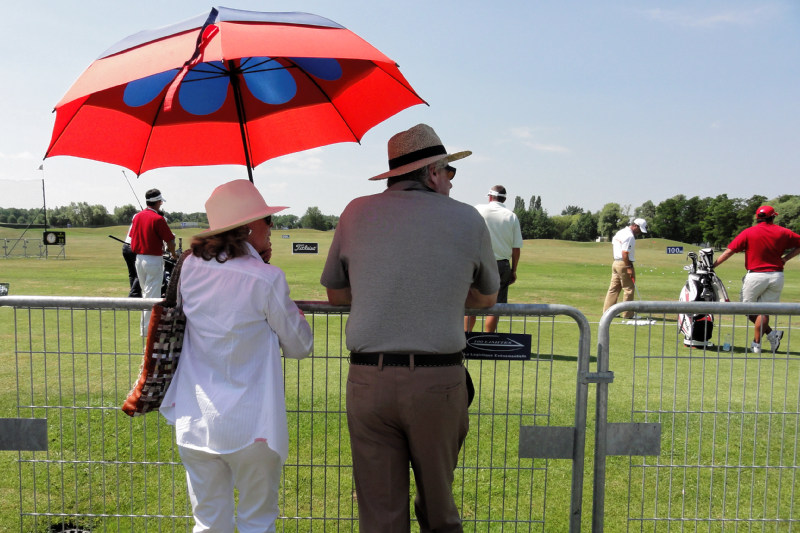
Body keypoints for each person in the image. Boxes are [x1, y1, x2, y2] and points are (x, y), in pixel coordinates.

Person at [320, 123, 500, 532]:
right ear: (433, 173)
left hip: (368, 380)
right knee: (439, 509)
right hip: (439, 381)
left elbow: (335, 294)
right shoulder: (467, 219)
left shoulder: (354, 211)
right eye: (449, 173)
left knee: (380, 515)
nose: (452, 182)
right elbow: (487, 297)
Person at [160, 179, 314, 532]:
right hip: (252, 425)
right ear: (247, 227)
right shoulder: (265, 278)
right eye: (268, 221)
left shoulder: (191, 270)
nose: (272, 229)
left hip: (194, 420)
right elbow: (299, 346)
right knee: (257, 522)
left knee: (208, 523)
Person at [712, 205, 800, 354]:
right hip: (777, 275)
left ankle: (760, 342)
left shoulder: (748, 232)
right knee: (764, 311)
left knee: (746, 309)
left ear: (757, 218)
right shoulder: (783, 232)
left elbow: (728, 252)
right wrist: (785, 259)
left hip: (755, 275)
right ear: (773, 217)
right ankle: (768, 338)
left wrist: (713, 266)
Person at [465, 185, 523, 333]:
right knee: (495, 306)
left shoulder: (478, 209)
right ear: (504, 198)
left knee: (471, 303)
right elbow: (516, 248)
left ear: (490, 197)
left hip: (478, 263)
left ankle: (466, 338)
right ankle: (488, 340)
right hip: (502, 265)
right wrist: (514, 270)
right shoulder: (511, 216)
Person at [129, 189, 178, 335]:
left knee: (146, 294)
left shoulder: (137, 216)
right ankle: (147, 331)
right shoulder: (158, 219)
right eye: (161, 201)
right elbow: (170, 240)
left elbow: (133, 236)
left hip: (139, 259)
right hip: (153, 260)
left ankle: (147, 328)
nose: (161, 204)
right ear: (157, 202)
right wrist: (174, 254)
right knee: (151, 297)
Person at [602, 218, 648, 318]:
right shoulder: (630, 236)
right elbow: (625, 253)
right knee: (629, 289)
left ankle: (608, 312)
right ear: (635, 225)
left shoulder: (620, 232)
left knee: (613, 289)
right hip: (624, 263)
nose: (640, 232)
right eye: (639, 229)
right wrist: (629, 267)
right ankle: (628, 314)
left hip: (615, 263)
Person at [122, 217, 141, 298]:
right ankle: (133, 294)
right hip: (133, 248)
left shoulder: (136, 217)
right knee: (139, 273)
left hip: (125, 247)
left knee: (132, 273)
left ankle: (135, 294)